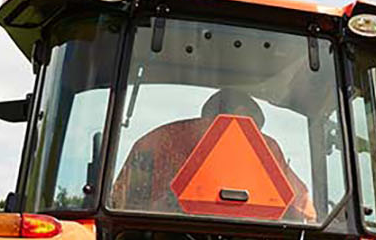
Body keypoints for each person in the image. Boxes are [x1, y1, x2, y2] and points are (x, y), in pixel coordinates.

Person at [109, 87, 312, 219]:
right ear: (241, 114)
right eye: (254, 129)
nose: (255, 138)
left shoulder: (156, 141)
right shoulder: (268, 148)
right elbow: (303, 211)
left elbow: (119, 203)